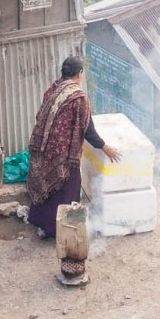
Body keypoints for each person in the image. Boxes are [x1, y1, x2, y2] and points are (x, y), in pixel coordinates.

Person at [26, 53, 121, 239]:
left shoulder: (54, 88)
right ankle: (58, 230)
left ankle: (42, 226)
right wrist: (105, 147)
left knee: (45, 184)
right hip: (63, 155)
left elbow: (41, 116)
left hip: (43, 149)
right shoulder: (79, 97)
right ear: (79, 74)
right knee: (66, 189)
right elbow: (88, 129)